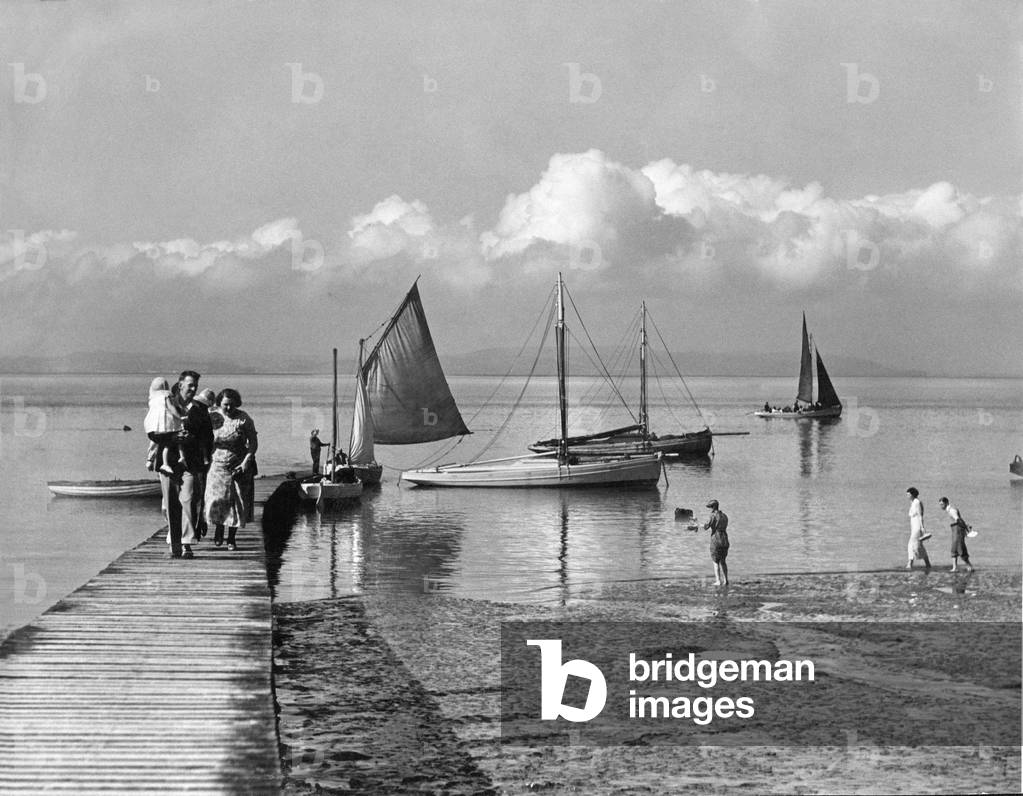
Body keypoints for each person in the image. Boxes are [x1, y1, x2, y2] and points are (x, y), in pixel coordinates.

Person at [159, 371, 207, 559]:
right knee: (171, 504)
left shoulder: (200, 409)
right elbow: (153, 433)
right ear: (180, 386)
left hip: (192, 462)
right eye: (190, 385)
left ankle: (187, 542)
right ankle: (176, 545)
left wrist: (195, 443)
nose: (194, 389)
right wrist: (173, 437)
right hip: (168, 461)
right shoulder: (165, 404)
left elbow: (207, 437)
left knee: (188, 499)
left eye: (195, 385)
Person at [204, 388, 258, 551]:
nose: (229, 408)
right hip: (217, 465)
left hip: (238, 466)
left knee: (236, 502)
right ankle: (219, 530)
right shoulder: (213, 416)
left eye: (232, 405)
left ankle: (231, 539)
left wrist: (246, 462)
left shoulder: (243, 419)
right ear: (219, 403)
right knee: (218, 500)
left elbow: (253, 443)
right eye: (226, 405)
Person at [191, 388, 217, 538]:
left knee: (198, 494)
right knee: (200, 494)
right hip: (201, 460)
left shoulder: (198, 413)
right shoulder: (202, 415)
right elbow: (206, 440)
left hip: (199, 461)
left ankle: (198, 525)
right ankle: (199, 524)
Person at [144, 377, 182, 477]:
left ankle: (157, 461)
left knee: (164, 440)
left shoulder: (153, 400)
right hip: (165, 432)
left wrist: (150, 459)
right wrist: (180, 417)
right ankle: (168, 463)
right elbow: (171, 408)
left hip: (152, 430)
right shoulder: (166, 397)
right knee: (169, 441)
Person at [938, 497, 974, 573]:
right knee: (954, 548)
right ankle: (954, 567)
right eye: (940, 505)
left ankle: (969, 566)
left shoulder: (951, 510)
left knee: (960, 548)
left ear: (946, 503)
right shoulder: (949, 510)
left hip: (958, 530)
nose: (941, 506)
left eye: (942, 504)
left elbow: (958, 519)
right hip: (955, 529)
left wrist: (966, 529)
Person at [702, 499, 730, 586]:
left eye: (710, 507)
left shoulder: (713, 516)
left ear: (713, 507)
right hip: (725, 539)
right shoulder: (725, 516)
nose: (710, 509)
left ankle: (718, 581)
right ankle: (726, 580)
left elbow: (706, 527)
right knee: (723, 561)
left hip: (716, 540)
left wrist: (696, 524)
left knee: (715, 561)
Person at [905, 487, 931, 570]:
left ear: (912, 495)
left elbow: (920, 515)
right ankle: (927, 563)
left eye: (908, 494)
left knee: (911, 544)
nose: (907, 496)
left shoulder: (917, 502)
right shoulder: (913, 503)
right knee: (918, 545)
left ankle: (910, 563)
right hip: (913, 526)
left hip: (917, 526)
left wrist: (922, 527)